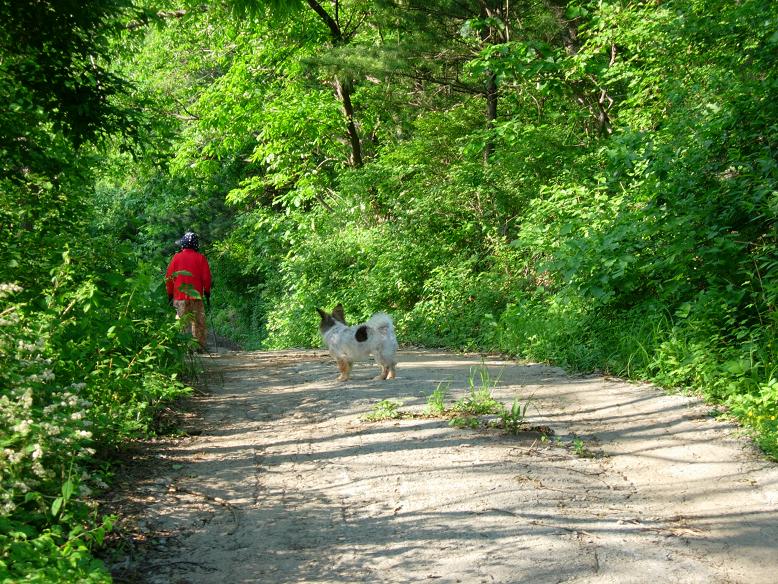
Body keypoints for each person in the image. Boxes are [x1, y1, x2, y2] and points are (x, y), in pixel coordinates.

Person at [165, 231, 212, 352]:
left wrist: (170, 294)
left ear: (183, 244)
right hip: (196, 296)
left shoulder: (176, 258)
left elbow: (169, 277)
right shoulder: (201, 258)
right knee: (198, 322)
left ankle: (184, 348)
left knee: (182, 322)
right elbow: (206, 277)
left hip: (180, 296)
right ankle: (199, 347)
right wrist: (207, 291)